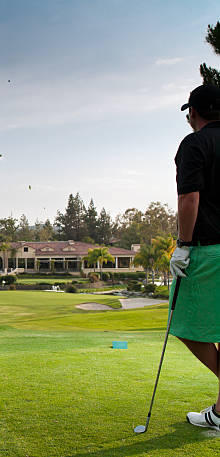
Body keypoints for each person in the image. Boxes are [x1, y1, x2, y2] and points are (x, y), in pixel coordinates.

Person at [170, 84, 220, 430]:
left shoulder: (195, 143)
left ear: (195, 112)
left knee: (184, 324)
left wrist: (183, 244)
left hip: (208, 250)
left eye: (190, 110)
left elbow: (190, 199)